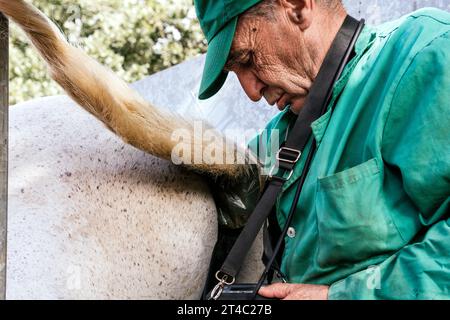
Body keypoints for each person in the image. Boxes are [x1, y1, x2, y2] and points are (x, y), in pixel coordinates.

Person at [194, 0, 450, 300]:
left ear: (297, 7)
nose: (251, 92)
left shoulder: (423, 53)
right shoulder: (281, 133)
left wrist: (339, 297)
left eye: (248, 58)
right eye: (235, 71)